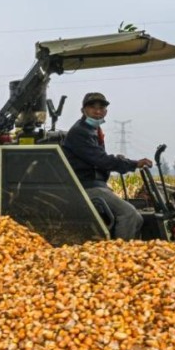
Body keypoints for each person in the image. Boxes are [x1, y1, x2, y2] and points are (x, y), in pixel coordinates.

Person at [61, 91, 153, 241]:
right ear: (83, 110)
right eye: (93, 108)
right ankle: (118, 257)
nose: (97, 112)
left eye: (101, 108)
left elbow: (99, 159)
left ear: (106, 112)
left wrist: (119, 161)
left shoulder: (93, 130)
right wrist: (134, 164)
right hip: (85, 187)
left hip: (98, 186)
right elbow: (101, 160)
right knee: (128, 214)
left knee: (137, 218)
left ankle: (132, 251)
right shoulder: (80, 132)